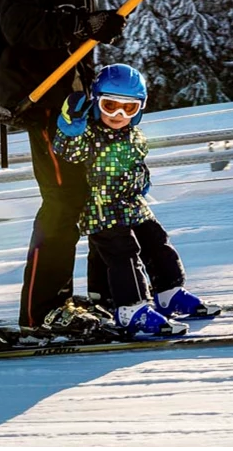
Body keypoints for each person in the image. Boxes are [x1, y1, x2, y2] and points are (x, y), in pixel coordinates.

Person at [0, 0, 128, 329]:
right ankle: (41, 311)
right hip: (44, 101)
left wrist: (94, 29)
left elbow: (73, 34)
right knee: (64, 199)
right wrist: (83, 25)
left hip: (77, 100)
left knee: (95, 195)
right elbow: (22, 29)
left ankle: (96, 298)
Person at [52, 64, 218, 336]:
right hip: (101, 208)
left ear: (140, 108)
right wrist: (70, 129)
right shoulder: (89, 133)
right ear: (96, 103)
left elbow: (137, 164)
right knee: (124, 254)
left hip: (131, 204)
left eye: (128, 108)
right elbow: (70, 153)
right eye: (110, 106)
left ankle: (168, 292)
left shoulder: (135, 135)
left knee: (157, 242)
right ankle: (131, 309)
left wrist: (142, 181)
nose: (118, 115)